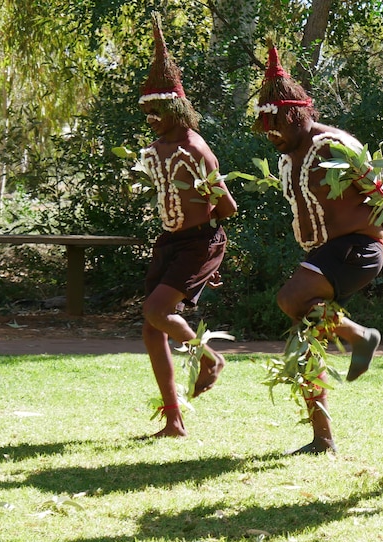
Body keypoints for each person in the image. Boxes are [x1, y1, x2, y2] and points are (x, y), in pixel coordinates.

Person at [253, 40, 383, 454]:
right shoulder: (288, 158)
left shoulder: (334, 145)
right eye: (266, 129)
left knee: (290, 298)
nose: (271, 136)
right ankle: (322, 438)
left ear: (297, 114)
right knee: (305, 338)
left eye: (277, 125)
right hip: (325, 255)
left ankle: (360, 336)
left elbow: (380, 192)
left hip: (356, 248)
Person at [137, 13, 237, 438]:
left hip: (200, 242)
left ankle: (209, 357)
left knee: (155, 312)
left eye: (157, 111)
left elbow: (226, 208)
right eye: (147, 112)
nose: (151, 119)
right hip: (171, 243)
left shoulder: (197, 149)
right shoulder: (155, 150)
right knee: (151, 327)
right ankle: (174, 419)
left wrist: (211, 261)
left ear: (176, 108)